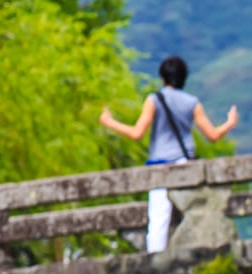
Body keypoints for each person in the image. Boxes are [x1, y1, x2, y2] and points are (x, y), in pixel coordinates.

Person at [99, 57, 239, 253]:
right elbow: (213, 135)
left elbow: (137, 133)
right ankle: (200, 253)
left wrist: (109, 122)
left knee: (158, 219)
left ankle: (155, 260)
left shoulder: (154, 100)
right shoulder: (192, 103)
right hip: (185, 164)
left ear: (163, 77)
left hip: (160, 164)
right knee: (193, 213)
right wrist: (229, 123)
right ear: (183, 78)